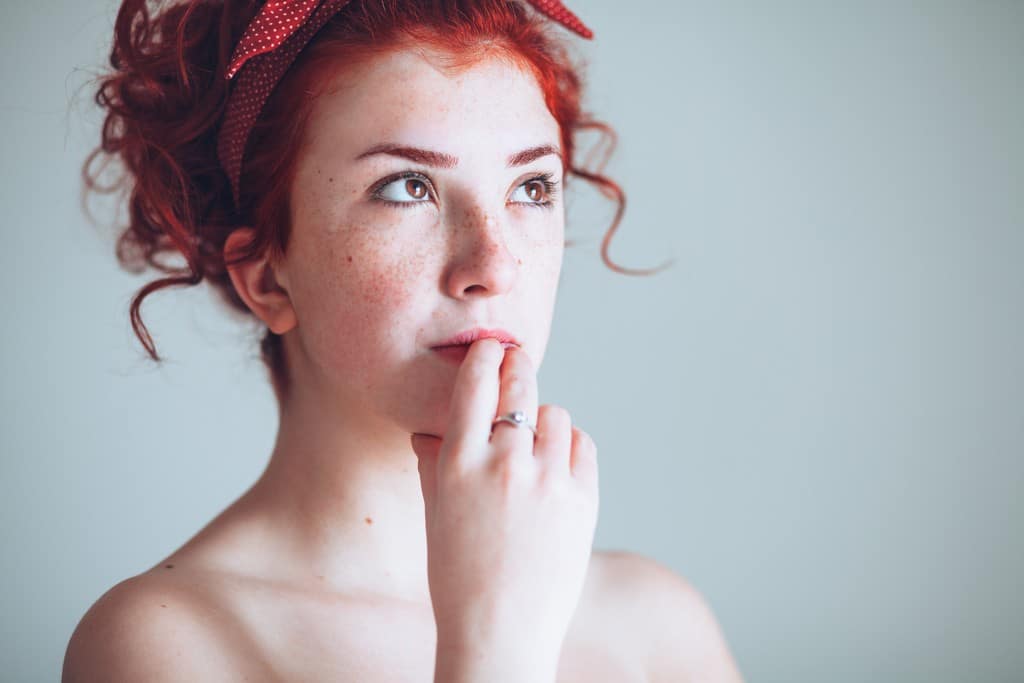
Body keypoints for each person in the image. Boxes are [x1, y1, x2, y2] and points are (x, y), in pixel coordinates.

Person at [64, 0, 744, 680]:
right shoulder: (162, 644)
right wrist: (496, 644)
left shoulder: (660, 629)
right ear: (269, 278)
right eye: (407, 186)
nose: (495, 264)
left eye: (532, 186)